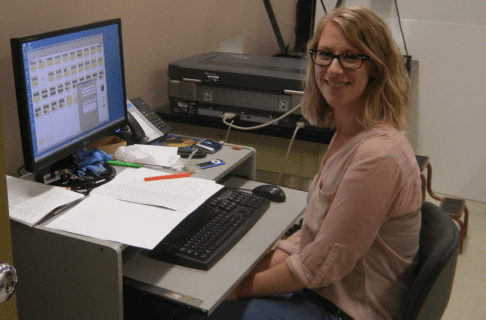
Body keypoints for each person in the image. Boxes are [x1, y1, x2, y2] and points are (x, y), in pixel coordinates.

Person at [191, 6, 422, 320]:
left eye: (351, 56)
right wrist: (248, 268)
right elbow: (319, 234)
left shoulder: (378, 155)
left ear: (376, 69)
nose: (333, 69)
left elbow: (320, 266)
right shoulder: (351, 133)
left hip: (348, 309)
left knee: (205, 309)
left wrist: (237, 288)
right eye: (324, 54)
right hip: (326, 289)